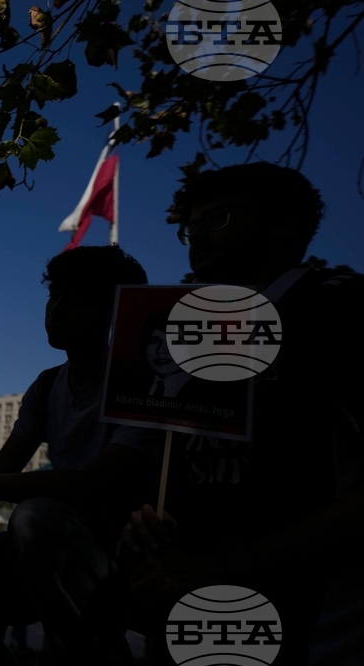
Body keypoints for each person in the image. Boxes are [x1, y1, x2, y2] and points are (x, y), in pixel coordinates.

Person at [117, 162, 364, 665]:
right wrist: (152, 523)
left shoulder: (337, 313)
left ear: (283, 225)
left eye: (219, 218)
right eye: (192, 225)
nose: (196, 236)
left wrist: (232, 563)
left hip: (304, 624)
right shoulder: (204, 340)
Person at [0, 245, 156, 665]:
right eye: (53, 295)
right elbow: (5, 469)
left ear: (113, 311)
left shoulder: (141, 382)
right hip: (43, 543)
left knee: (35, 515)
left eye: (74, 300)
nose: (56, 309)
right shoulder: (47, 385)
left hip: (117, 553)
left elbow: (89, 484)